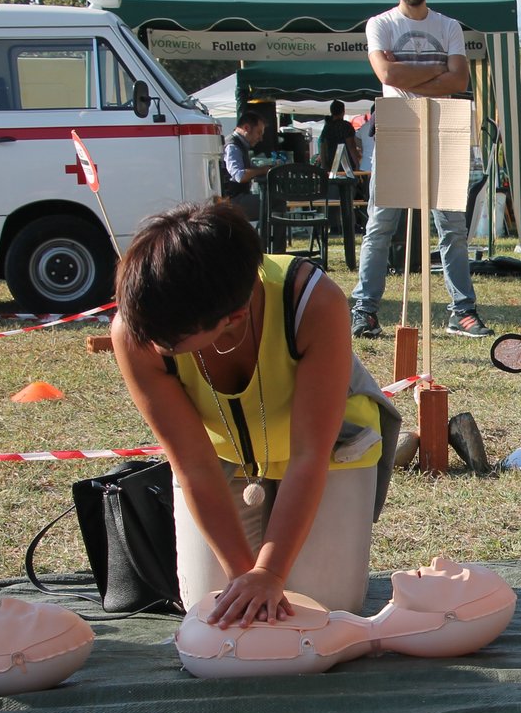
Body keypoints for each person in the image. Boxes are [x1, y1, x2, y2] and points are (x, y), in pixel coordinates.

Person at [111, 200, 400, 628]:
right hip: (223, 459)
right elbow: (192, 465)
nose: (152, 347)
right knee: (210, 607)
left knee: (323, 609)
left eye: (171, 343)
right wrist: (244, 576)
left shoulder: (314, 301)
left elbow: (309, 455)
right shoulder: (139, 331)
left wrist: (269, 573)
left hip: (331, 450)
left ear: (235, 316)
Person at [349, 0, 493, 341]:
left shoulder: (448, 26)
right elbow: (386, 73)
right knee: (381, 226)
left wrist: (410, 74)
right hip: (397, 127)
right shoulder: (379, 24)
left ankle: (461, 311)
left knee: (452, 227)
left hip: (443, 128)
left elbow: (459, 80)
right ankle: (365, 309)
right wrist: (438, 70)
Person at [221, 110, 271, 222]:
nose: (261, 138)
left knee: (271, 200)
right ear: (247, 128)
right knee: (276, 203)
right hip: (234, 201)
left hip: (237, 198)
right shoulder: (233, 146)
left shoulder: (240, 145)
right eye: (259, 133)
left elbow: (250, 168)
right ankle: (271, 239)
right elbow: (240, 175)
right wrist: (263, 170)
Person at [317, 100, 361, 174]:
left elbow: (322, 146)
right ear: (343, 112)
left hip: (330, 163)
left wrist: (324, 165)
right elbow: (351, 146)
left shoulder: (327, 127)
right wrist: (357, 164)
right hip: (346, 165)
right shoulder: (346, 126)